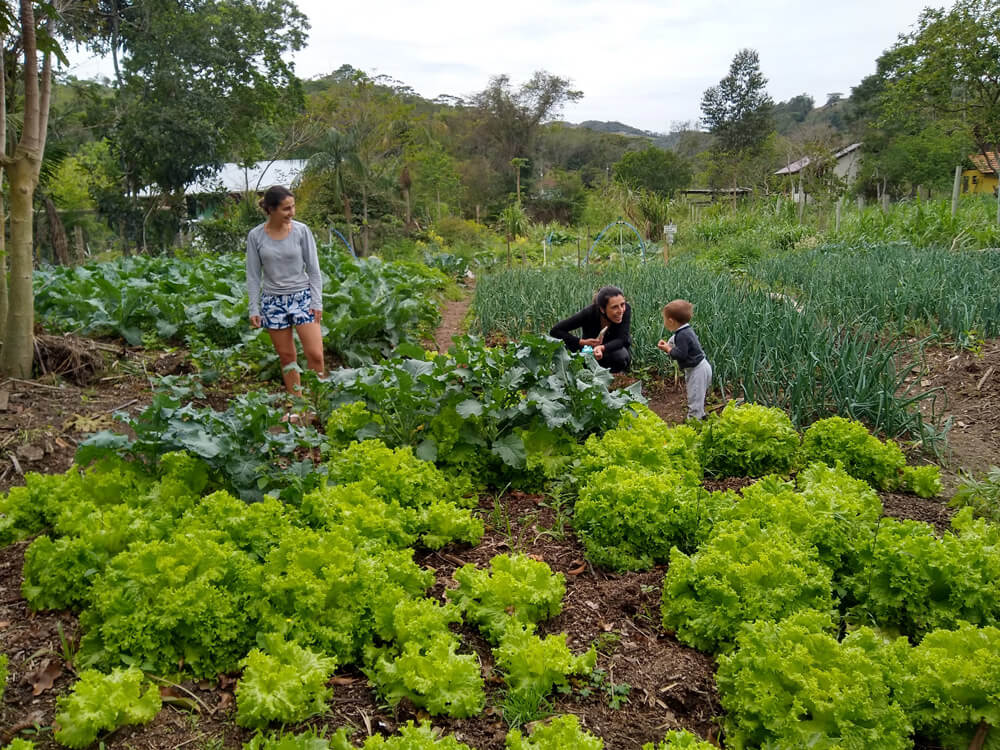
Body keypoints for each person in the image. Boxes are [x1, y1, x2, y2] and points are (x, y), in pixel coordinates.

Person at [246, 185, 325, 396]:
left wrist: (316, 302)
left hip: (302, 298)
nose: (292, 213)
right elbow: (253, 275)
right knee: (287, 358)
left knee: (315, 355)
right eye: (286, 209)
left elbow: (314, 270)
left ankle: (318, 402)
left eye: (293, 207)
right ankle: (297, 404)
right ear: (271, 210)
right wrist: (253, 308)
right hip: (273, 302)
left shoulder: (301, 231)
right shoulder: (255, 236)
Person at [549, 285, 631, 373]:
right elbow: (555, 331)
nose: (621, 310)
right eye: (614, 307)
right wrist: (582, 342)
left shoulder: (625, 310)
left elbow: (622, 339)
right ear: (602, 309)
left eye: (622, 304)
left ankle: (614, 376)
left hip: (610, 350)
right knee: (565, 348)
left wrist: (601, 348)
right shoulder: (589, 313)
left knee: (621, 356)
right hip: (588, 351)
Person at [657, 299, 712, 420]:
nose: (664, 322)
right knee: (698, 397)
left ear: (671, 321)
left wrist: (668, 349)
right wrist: (668, 345)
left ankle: (693, 424)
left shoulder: (682, 335)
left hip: (697, 370)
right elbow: (676, 342)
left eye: (665, 319)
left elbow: (681, 354)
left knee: (695, 399)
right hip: (701, 366)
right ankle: (701, 418)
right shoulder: (685, 331)